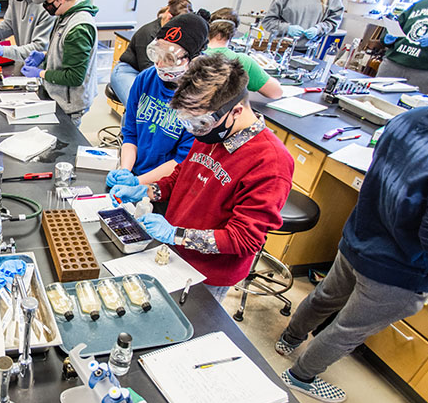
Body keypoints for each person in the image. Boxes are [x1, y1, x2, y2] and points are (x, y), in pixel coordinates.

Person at [275, 104, 428, 403]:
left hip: (359, 237)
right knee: (348, 330)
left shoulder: (410, 118)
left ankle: (289, 339)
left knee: (326, 297)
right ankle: (301, 376)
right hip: (396, 267)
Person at [110, 54, 294, 303]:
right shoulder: (211, 130)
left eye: (200, 123)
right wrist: (146, 190)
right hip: (172, 252)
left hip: (207, 276)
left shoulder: (270, 162)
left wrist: (176, 234)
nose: (195, 131)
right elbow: (180, 178)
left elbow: (245, 239)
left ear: (236, 111)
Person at [106, 13, 208, 188]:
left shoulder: (200, 100)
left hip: (165, 186)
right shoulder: (146, 79)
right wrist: (125, 171)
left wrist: (138, 183)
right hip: (135, 172)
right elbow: (131, 133)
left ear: (193, 59)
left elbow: (181, 160)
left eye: (169, 58)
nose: (159, 64)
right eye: (158, 54)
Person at [22, 0, 99, 126]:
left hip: (70, 105)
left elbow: (75, 76)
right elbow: (65, 51)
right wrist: (44, 55)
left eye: (47, 1)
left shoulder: (79, 28)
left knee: (64, 147)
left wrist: (40, 73)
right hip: (58, 96)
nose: (45, 5)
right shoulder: (66, 13)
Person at [111, 0, 192, 106]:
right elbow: (147, 68)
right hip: (129, 71)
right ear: (169, 17)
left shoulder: (173, 36)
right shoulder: (148, 34)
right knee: (139, 104)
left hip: (155, 73)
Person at [205, 7, 283, 99]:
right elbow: (276, 92)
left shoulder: (193, 53)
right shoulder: (242, 61)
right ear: (233, 32)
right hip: (226, 112)